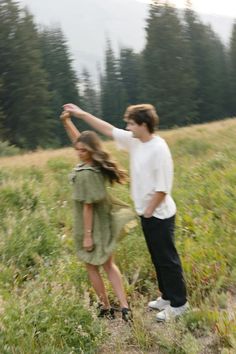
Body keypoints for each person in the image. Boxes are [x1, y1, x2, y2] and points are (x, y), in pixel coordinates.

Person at [62, 103, 189, 322]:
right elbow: (107, 129)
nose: (127, 126)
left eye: (130, 123)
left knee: (167, 259)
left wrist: (149, 211)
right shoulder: (135, 141)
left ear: (143, 124)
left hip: (159, 214)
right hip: (147, 213)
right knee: (157, 257)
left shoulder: (159, 148)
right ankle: (167, 296)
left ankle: (179, 304)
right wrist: (81, 114)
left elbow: (163, 187)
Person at [60, 111, 135, 321]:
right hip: (105, 222)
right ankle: (125, 307)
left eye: (83, 150)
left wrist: (87, 236)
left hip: (90, 226)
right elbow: (79, 141)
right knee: (110, 265)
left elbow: (87, 207)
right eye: (78, 150)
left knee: (91, 266)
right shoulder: (95, 164)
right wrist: (67, 122)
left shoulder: (85, 173)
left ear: (90, 150)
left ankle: (105, 306)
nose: (79, 152)